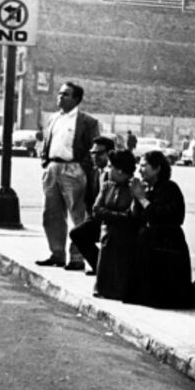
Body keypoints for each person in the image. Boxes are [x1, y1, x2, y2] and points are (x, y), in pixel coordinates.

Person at [127, 150, 195, 308]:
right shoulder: (148, 189)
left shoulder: (169, 189)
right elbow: (137, 218)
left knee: (169, 299)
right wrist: (136, 198)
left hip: (167, 248)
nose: (140, 170)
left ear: (157, 168)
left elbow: (164, 217)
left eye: (144, 166)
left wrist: (142, 198)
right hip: (149, 246)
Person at [36, 82, 101, 271]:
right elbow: (47, 141)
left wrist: (82, 168)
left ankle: (77, 257)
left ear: (76, 99)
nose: (60, 97)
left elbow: (94, 148)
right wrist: (45, 161)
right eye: (60, 93)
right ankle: (57, 253)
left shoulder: (87, 121)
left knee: (78, 214)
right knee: (51, 213)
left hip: (73, 168)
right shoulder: (54, 119)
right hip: (53, 168)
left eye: (65, 94)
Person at [93, 149, 141, 300]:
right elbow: (96, 210)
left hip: (125, 234)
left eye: (110, 167)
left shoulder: (134, 187)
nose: (108, 170)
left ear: (120, 170)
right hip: (108, 231)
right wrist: (119, 216)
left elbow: (132, 215)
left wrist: (110, 215)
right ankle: (103, 287)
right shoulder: (107, 186)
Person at [69, 135, 116, 275]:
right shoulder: (94, 172)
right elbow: (89, 200)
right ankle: (99, 266)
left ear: (110, 154)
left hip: (113, 220)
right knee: (77, 234)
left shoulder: (115, 173)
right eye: (92, 153)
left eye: (99, 153)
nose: (95, 157)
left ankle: (104, 268)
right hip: (97, 218)